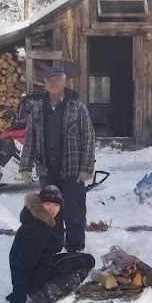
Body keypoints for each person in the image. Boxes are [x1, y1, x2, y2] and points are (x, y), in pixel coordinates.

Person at [18, 65, 96, 253]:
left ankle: (75, 247)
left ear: (64, 82)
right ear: (45, 83)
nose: (53, 83)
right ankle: (53, 244)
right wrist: (25, 166)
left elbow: (89, 137)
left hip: (72, 168)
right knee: (49, 210)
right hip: (47, 169)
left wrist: (86, 166)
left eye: (57, 79)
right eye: (49, 80)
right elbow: (30, 139)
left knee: (74, 210)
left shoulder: (77, 107)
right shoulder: (37, 109)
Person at [1, 185, 96, 303]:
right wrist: (18, 299)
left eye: (56, 205)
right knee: (87, 261)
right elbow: (22, 266)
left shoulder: (44, 220)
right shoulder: (35, 230)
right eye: (47, 203)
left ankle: (37, 289)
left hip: (42, 265)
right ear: (39, 204)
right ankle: (46, 293)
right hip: (36, 276)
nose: (52, 208)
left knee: (83, 259)